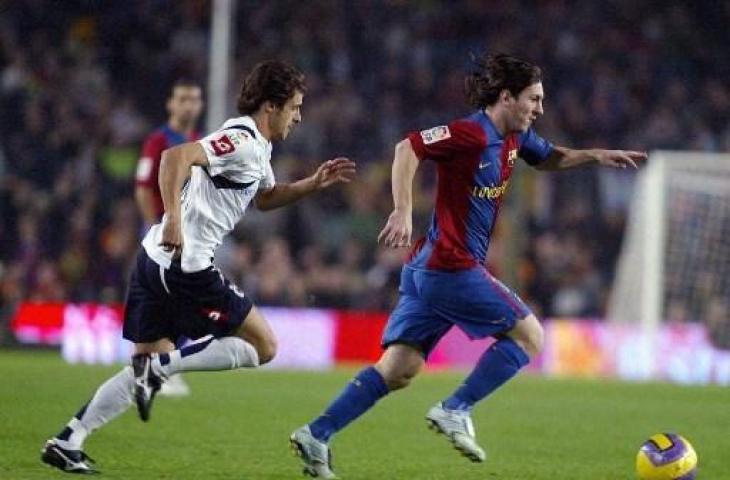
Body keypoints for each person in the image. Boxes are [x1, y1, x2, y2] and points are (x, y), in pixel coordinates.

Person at [290, 53, 646, 478]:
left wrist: (596, 155)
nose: (540, 109)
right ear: (506, 96)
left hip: (428, 271)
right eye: (533, 99)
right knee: (530, 335)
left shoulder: (516, 138)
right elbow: (408, 148)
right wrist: (402, 209)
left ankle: (317, 434)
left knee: (399, 369)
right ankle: (455, 408)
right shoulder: (470, 133)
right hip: (450, 266)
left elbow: (552, 157)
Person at [41, 60, 356, 474]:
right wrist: (173, 216)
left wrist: (311, 184)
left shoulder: (258, 147)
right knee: (265, 346)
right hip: (184, 267)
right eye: (294, 107)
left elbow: (265, 196)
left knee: (144, 363)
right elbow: (175, 158)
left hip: (152, 260)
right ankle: (162, 369)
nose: (298, 116)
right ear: (270, 107)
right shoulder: (241, 140)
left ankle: (69, 439)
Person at [135, 78, 204, 397]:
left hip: (192, 233)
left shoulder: (197, 141)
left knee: (186, 300)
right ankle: (157, 366)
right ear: (171, 105)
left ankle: (158, 366)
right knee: (170, 298)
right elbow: (142, 187)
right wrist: (156, 225)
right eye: (183, 99)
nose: (189, 105)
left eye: (194, 99)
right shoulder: (158, 140)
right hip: (165, 231)